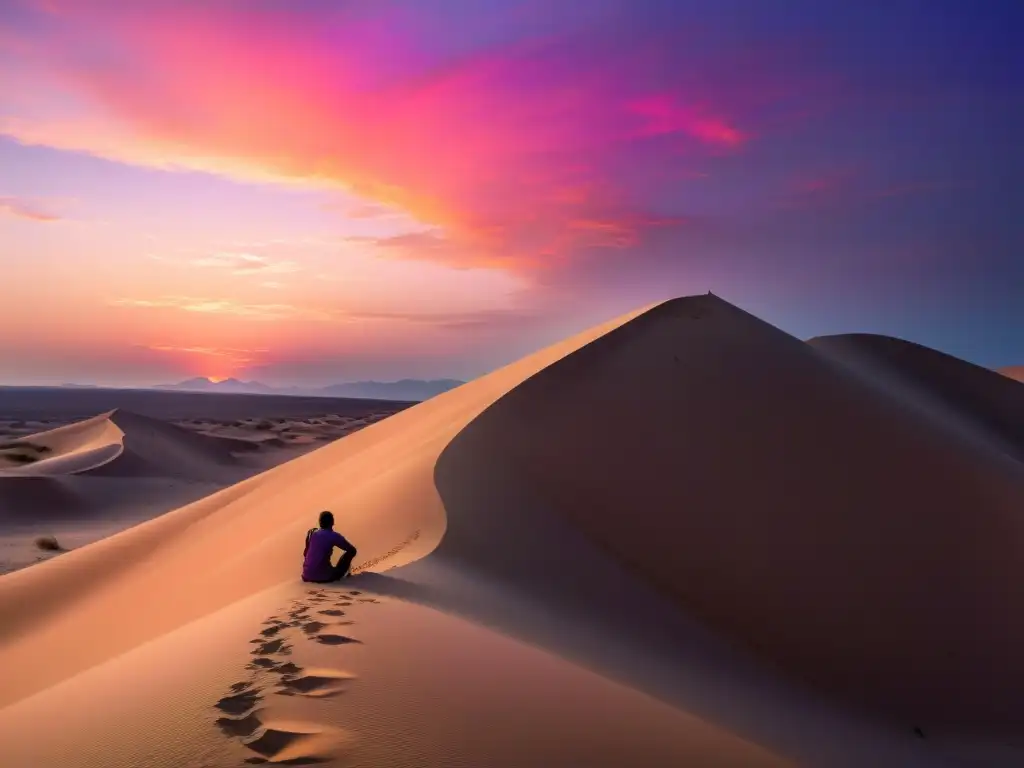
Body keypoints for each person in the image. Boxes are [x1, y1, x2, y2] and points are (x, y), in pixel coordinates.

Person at [301, 510, 358, 583]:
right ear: (332, 522)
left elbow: (305, 554)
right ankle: (342, 575)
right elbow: (351, 549)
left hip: (306, 576)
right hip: (324, 577)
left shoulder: (311, 533)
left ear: (320, 522)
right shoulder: (334, 535)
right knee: (352, 551)